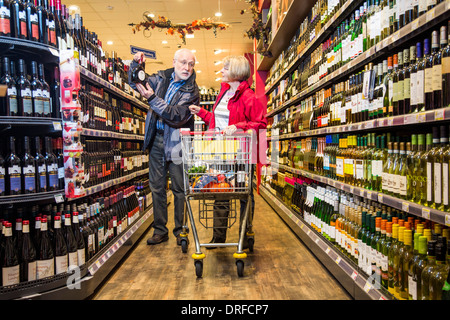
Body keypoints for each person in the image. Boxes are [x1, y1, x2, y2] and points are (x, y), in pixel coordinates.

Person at [189, 55, 267, 249]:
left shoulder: (250, 96)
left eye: (225, 68)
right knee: (220, 192)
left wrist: (238, 126)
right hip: (220, 152)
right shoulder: (223, 92)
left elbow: (260, 124)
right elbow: (219, 123)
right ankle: (218, 238)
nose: (221, 71)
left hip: (241, 154)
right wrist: (201, 112)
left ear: (236, 72)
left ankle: (245, 235)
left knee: (243, 194)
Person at [129, 48, 199, 245]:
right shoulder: (160, 78)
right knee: (157, 187)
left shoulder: (192, 91)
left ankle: (180, 230)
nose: (187, 68)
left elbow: (174, 115)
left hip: (177, 143)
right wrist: (137, 66)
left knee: (179, 188)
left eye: (191, 64)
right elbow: (137, 83)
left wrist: (152, 99)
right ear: (174, 62)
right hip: (157, 140)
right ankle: (160, 230)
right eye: (183, 63)